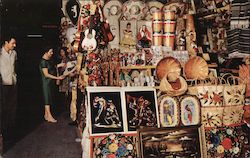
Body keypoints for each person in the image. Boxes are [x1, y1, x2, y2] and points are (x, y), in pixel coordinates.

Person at [39, 47, 64, 123]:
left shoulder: (49, 60)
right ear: (46, 52)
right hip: (46, 83)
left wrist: (59, 65)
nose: (52, 53)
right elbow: (46, 74)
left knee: (49, 99)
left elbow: (52, 68)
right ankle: (49, 116)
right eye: (50, 52)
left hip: (50, 83)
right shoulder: (43, 62)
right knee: (47, 99)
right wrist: (57, 78)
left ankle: (46, 115)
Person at [0, 35, 18, 142]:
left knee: (12, 105)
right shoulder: (0, 54)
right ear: (6, 42)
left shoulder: (14, 53)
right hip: (3, 83)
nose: (14, 45)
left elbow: (16, 66)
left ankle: (11, 126)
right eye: (13, 43)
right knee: (4, 106)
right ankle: (4, 127)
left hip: (13, 82)